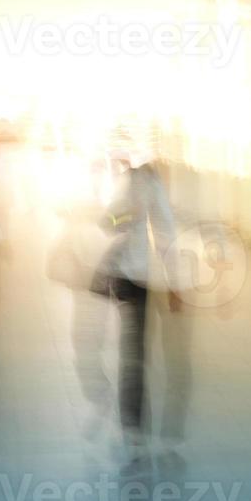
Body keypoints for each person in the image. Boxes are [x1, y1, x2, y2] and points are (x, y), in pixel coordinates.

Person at [95, 131, 180, 470]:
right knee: (135, 351)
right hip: (136, 276)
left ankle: (131, 425)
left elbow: (107, 221)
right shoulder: (147, 182)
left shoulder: (125, 179)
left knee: (132, 351)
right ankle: (133, 425)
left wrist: (122, 216)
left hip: (123, 274)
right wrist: (174, 283)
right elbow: (164, 231)